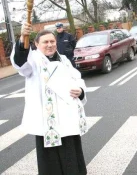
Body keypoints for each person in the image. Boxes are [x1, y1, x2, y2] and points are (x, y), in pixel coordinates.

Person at [10, 23, 88, 175]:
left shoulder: (64, 59)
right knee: (51, 164)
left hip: (67, 119)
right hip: (47, 123)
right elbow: (20, 62)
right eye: (45, 42)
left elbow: (77, 78)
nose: (50, 45)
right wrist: (22, 39)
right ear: (36, 44)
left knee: (72, 157)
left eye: (52, 41)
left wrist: (80, 90)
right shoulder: (33, 61)